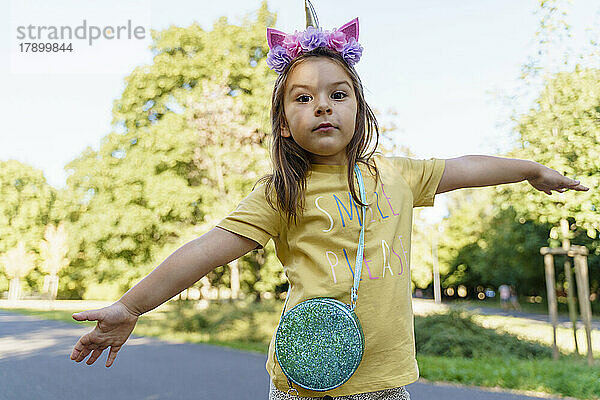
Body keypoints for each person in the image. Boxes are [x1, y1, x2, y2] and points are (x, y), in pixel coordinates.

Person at [69, 2, 589, 399]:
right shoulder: (281, 191)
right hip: (305, 382)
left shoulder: (398, 174)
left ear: (359, 110)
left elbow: (465, 168)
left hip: (384, 381)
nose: (323, 105)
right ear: (284, 124)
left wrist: (529, 170)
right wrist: (130, 306)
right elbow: (204, 251)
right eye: (303, 97)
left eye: (338, 94)